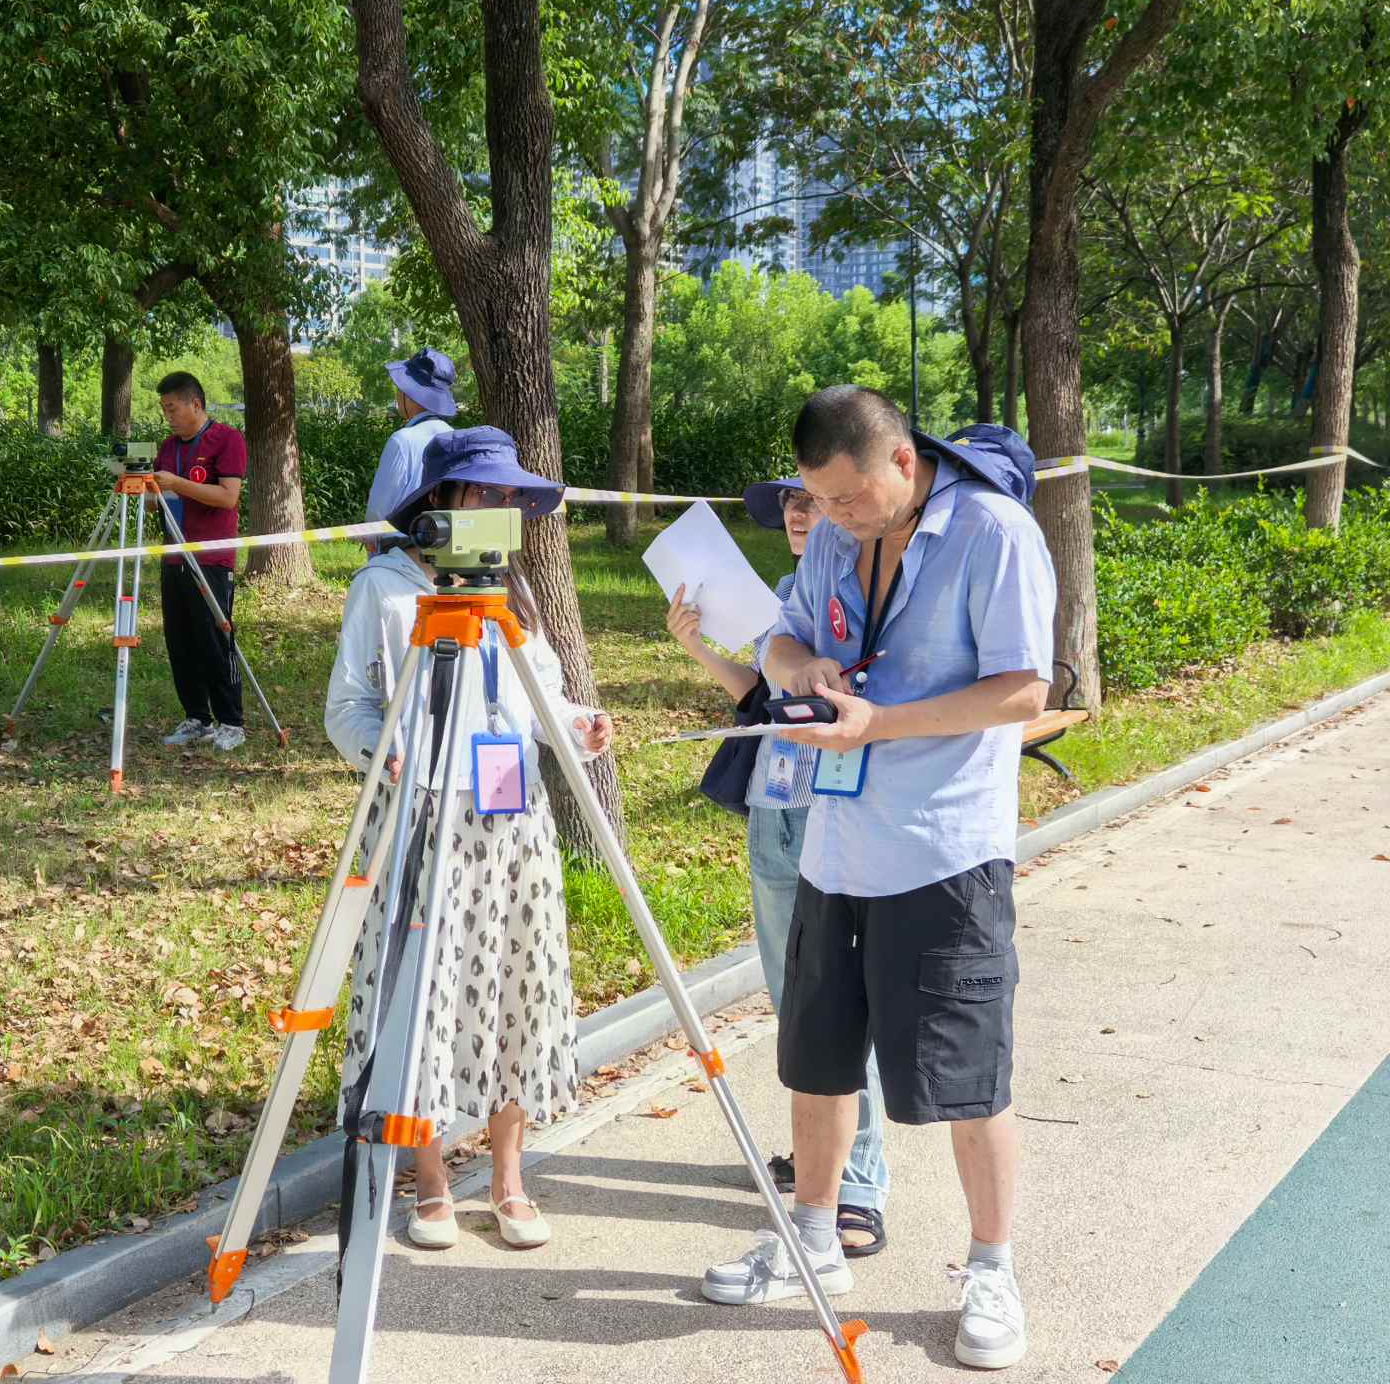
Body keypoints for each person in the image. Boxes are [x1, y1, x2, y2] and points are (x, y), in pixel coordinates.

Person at [697, 386, 1054, 1371]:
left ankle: (992, 1269)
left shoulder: (993, 533)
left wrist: (880, 724)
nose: (833, 519)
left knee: (970, 1077)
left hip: (944, 851)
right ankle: (814, 1236)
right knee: (816, 1058)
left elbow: (1026, 689)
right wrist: (803, 670)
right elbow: (778, 640)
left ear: (903, 460)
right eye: (817, 500)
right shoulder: (830, 533)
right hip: (833, 844)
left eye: (848, 498)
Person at [325, 426, 614, 1252]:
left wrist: (578, 728)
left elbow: (542, 697)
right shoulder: (384, 589)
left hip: (513, 822)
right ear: (442, 501)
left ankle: (510, 1179)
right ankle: (430, 1180)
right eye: (485, 493)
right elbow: (347, 708)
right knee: (422, 991)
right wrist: (383, 753)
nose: (499, 509)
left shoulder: (513, 591)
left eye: (510, 498)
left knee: (519, 983)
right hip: (423, 815)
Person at [664, 476, 891, 1260]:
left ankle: (858, 1185)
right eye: (790, 504)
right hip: (774, 810)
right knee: (797, 1006)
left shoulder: (869, 593)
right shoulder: (788, 601)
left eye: (810, 499)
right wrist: (698, 648)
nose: (798, 513)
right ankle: (821, 1149)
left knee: (843, 1005)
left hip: (838, 809)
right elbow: (759, 700)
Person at [150, 372, 249, 752]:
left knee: (214, 638)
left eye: (172, 408)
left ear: (195, 403)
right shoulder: (167, 447)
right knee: (180, 640)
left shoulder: (227, 439)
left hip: (211, 557)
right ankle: (197, 717)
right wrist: (139, 488)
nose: (168, 416)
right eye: (164, 410)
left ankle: (231, 721)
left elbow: (227, 497)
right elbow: (159, 500)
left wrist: (177, 483)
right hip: (173, 554)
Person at [363, 348, 459, 550]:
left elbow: (379, 509)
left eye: (400, 388)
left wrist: (370, 536)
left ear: (410, 394)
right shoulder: (455, 437)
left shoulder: (402, 440)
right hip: (444, 545)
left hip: (400, 551)